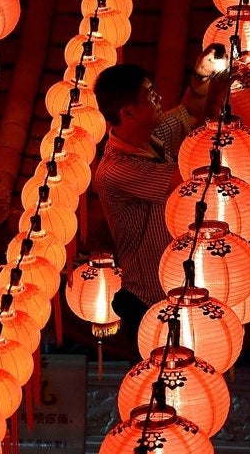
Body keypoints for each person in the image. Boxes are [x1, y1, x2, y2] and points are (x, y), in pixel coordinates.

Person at [94, 48, 229, 331]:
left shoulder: (152, 136)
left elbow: (189, 112)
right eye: (150, 96)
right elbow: (188, 180)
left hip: (178, 290)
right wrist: (228, 135)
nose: (158, 100)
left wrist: (202, 75)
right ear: (128, 112)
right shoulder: (116, 170)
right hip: (148, 300)